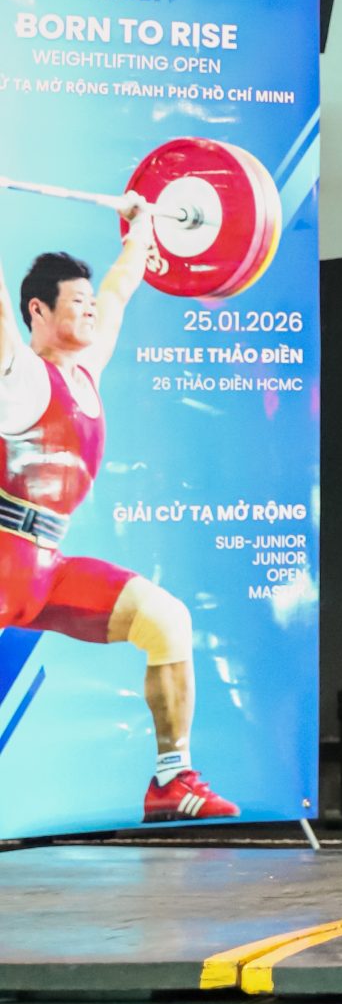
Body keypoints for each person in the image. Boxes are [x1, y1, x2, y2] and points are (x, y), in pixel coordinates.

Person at [0, 213, 240, 822]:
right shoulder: (18, 374)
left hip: (44, 571)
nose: (90, 310)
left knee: (167, 619)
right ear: (37, 311)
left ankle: (171, 782)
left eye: (88, 303)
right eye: (75, 303)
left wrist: (141, 228)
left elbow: (119, 287)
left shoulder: (86, 371)